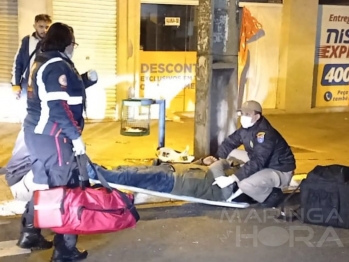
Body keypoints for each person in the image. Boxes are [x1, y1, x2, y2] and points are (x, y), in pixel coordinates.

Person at [17, 22, 98, 262]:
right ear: (66, 42)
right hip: (55, 137)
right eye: (73, 43)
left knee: (45, 186)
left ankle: (30, 233)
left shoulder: (43, 60)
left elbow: (56, 93)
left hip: (38, 136)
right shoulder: (56, 65)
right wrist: (76, 137)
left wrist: (84, 80)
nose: (74, 47)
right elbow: (57, 106)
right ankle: (64, 250)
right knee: (65, 190)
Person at [204, 100, 296, 207]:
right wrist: (216, 158)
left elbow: (258, 161)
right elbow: (230, 143)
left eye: (247, 114)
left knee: (245, 184)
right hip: (264, 162)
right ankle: (248, 179)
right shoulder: (246, 129)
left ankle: (271, 196)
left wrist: (233, 178)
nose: (243, 117)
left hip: (280, 170)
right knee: (230, 153)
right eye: (242, 113)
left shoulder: (265, 134)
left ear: (257, 117)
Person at [11, 14, 52, 156]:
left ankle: (39, 150)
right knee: (26, 119)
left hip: (44, 87)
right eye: (41, 26)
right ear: (35, 26)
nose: (44, 30)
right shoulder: (27, 41)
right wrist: (15, 84)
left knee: (43, 118)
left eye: (47, 27)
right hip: (27, 86)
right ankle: (24, 153)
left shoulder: (52, 43)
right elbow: (18, 63)